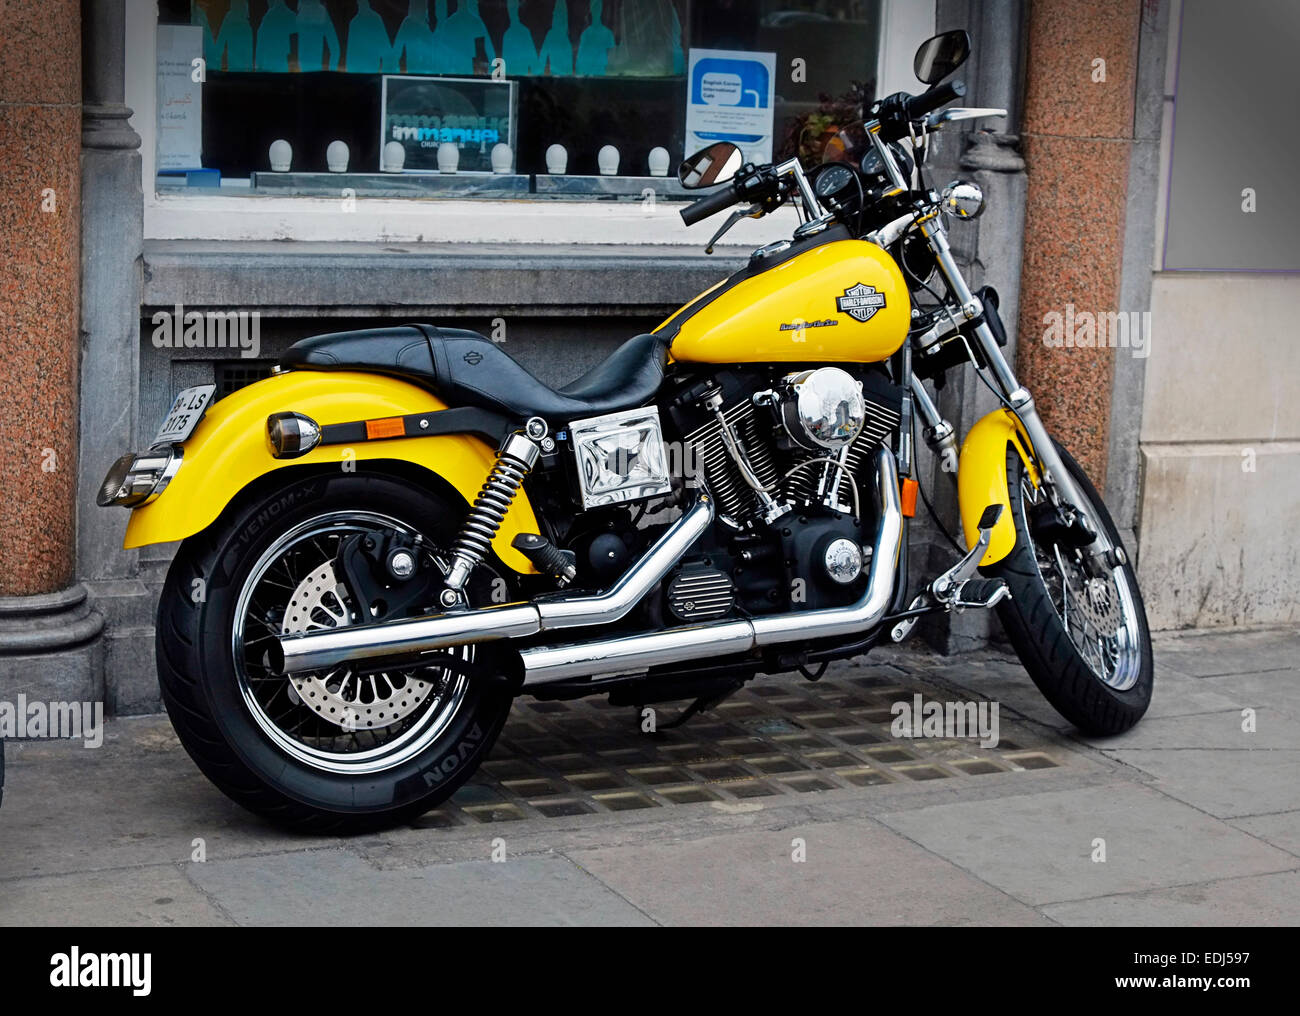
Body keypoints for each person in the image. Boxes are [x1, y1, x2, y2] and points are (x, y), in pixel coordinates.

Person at [346, 0, 396, 72]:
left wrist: (388, 64)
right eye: (360, 4)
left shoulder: (375, 18)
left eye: (363, 3)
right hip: (359, 64)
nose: (361, 6)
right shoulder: (354, 22)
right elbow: (351, 47)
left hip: (372, 62)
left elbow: (384, 41)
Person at [297, 0, 342, 71]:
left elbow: (335, 49)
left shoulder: (302, 13)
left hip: (307, 64)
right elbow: (335, 49)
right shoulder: (321, 12)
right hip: (312, 65)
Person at [500, 0, 540, 76]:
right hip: (512, 73)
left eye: (513, 11)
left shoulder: (523, 31)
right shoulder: (507, 34)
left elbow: (532, 55)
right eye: (510, 11)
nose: (512, 14)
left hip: (522, 74)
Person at [575, 0, 615, 76]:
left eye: (598, 8)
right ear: (591, 10)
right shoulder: (586, 34)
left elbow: (613, 55)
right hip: (587, 71)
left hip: (601, 70)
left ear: (601, 9)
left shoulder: (608, 33)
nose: (596, 10)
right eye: (594, 8)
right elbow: (580, 54)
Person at [254, 0, 295, 71]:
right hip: (283, 55)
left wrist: (258, 62)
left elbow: (261, 40)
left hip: (271, 57)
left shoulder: (269, 16)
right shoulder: (290, 14)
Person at [539, 0, 573, 76]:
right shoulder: (551, 34)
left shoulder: (565, 38)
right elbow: (542, 58)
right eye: (556, 15)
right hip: (555, 76)